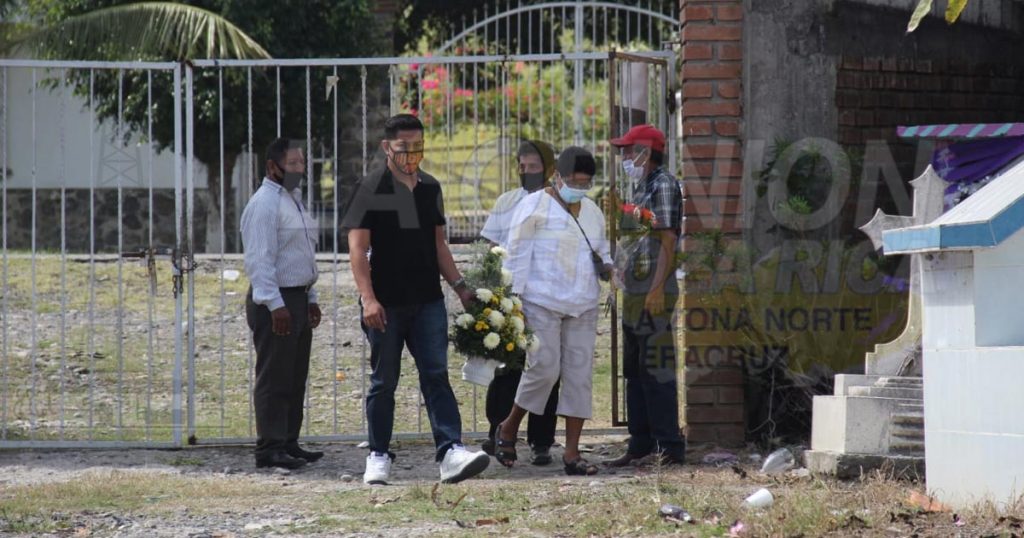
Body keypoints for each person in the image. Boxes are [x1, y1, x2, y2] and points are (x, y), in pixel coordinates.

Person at [343, 113, 491, 485]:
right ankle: (378, 455)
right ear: (386, 148)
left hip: (428, 301)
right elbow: (358, 250)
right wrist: (368, 300)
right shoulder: (370, 188)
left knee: (436, 375)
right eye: (403, 148)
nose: (411, 154)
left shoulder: (430, 187)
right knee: (384, 381)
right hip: (386, 304)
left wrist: (459, 286)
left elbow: (438, 244)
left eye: (418, 147)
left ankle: (450, 452)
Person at [495, 146, 611, 476]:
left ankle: (572, 453)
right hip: (541, 299)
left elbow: (602, 252)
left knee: (579, 376)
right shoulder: (533, 205)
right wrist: (513, 300)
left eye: (586, 182)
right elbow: (516, 254)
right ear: (556, 177)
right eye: (574, 181)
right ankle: (509, 427)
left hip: (583, 302)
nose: (580, 187)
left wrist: (611, 269)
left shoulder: (592, 211)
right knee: (544, 369)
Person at [606, 125, 686, 467]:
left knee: (655, 369)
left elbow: (667, 239)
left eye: (628, 151)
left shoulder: (664, 184)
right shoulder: (642, 187)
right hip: (636, 291)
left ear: (645, 152)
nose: (624, 157)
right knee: (635, 370)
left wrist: (656, 288)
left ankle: (668, 446)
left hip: (654, 290)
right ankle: (641, 443)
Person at [241, 137, 323, 470]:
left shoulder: (293, 200)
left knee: (294, 375)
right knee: (274, 376)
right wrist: (275, 305)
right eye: (292, 164)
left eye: (302, 163)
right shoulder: (265, 204)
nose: (299, 169)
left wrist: (311, 296)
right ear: (272, 167)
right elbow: (260, 260)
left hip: (298, 296)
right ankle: (269, 447)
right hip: (277, 299)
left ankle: (289, 441)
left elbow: (301, 254)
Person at [479, 140, 561, 466]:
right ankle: (496, 431)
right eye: (522, 166)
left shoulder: (561, 203)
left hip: (548, 297)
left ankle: (542, 441)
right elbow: (490, 247)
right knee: (507, 369)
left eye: (533, 167)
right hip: (511, 298)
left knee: (547, 369)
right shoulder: (508, 201)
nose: (526, 172)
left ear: (549, 169)